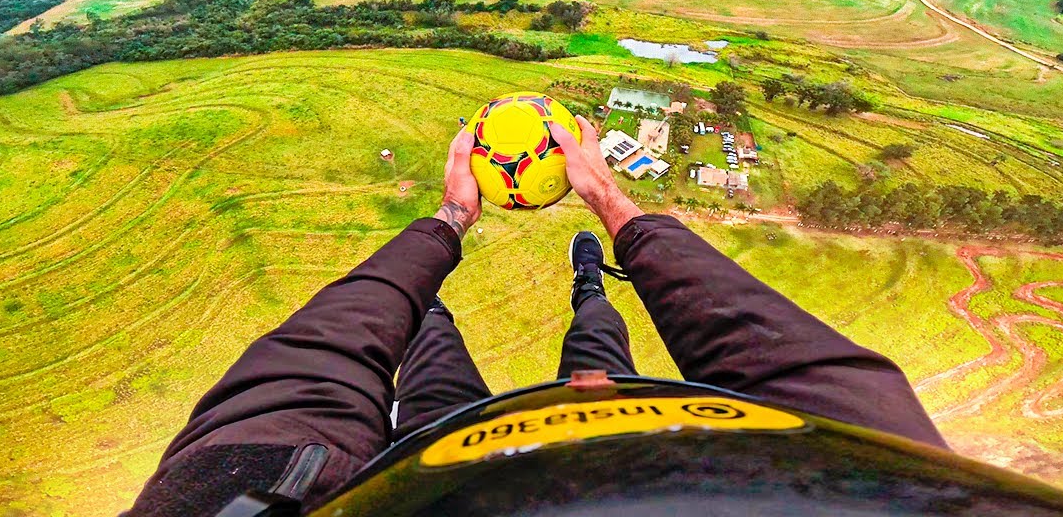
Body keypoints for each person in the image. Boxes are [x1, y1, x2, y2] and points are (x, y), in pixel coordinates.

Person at [128, 116, 946, 517]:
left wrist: (448, 224)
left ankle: (430, 310)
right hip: (620, 417)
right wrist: (610, 202)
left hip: (438, 450)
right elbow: (812, 371)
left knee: (431, 362)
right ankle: (590, 279)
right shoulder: (901, 486)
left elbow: (300, 373)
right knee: (598, 335)